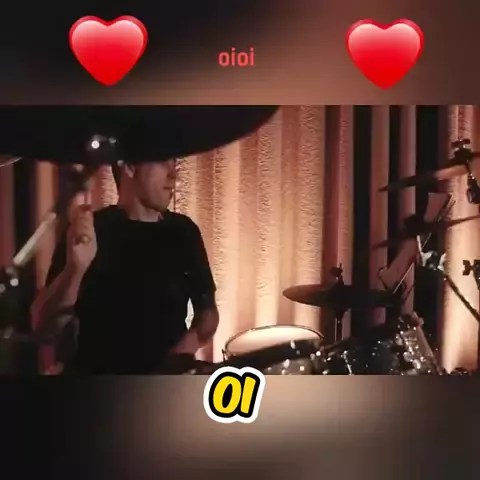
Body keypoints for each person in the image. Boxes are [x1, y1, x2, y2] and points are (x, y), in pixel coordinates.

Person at [30, 159, 219, 374]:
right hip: (101, 387)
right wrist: (75, 269)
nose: (173, 174)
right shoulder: (92, 230)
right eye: (162, 161)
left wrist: (177, 357)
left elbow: (208, 316)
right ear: (129, 166)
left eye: (173, 162)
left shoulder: (184, 231)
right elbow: (43, 327)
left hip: (165, 386)